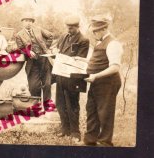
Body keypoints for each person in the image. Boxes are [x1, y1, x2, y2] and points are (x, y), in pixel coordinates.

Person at [83, 16, 123, 147]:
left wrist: (96, 76)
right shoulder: (100, 43)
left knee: (105, 113)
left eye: (97, 31)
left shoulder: (113, 44)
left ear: (105, 28)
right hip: (96, 82)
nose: (94, 34)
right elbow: (97, 61)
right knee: (91, 110)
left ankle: (105, 143)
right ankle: (90, 141)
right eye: (93, 31)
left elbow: (115, 67)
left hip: (108, 83)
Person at [55, 15, 90, 143]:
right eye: (68, 28)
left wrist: (63, 60)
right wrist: (54, 53)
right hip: (60, 74)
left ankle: (75, 132)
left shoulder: (83, 40)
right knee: (60, 103)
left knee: (73, 105)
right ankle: (65, 129)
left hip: (74, 77)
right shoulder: (64, 36)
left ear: (77, 27)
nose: (69, 30)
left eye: (71, 28)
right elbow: (59, 50)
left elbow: (79, 60)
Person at [15, 17, 53, 104]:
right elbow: (20, 49)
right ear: (22, 22)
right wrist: (28, 51)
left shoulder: (38, 30)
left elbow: (50, 36)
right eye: (26, 21)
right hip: (32, 62)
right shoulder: (19, 35)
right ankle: (36, 106)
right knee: (34, 86)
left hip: (44, 59)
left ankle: (47, 106)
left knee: (47, 84)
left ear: (32, 23)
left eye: (30, 21)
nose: (28, 23)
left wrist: (46, 47)